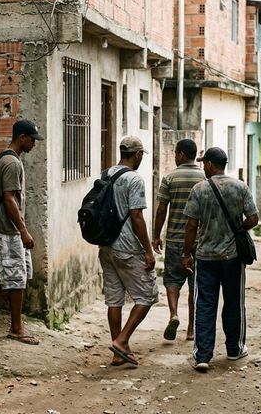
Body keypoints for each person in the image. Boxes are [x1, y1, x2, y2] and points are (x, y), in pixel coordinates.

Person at [182, 147, 259, 372]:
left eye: (204, 163)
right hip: (233, 256)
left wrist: (187, 254)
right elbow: (253, 218)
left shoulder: (199, 190)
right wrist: (238, 228)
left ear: (209, 164)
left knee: (204, 304)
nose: (203, 166)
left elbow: (191, 225)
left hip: (205, 257)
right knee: (234, 302)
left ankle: (203, 356)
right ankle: (234, 349)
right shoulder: (240, 187)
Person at [0, 119, 44, 345]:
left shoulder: (8, 159)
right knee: (16, 278)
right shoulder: (12, 163)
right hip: (8, 230)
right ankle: (16, 328)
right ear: (22, 137)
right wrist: (23, 231)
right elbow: (8, 199)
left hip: (10, 229)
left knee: (19, 273)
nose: (34, 144)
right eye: (32, 139)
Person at [99, 135, 158, 366]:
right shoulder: (134, 179)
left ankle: (117, 353)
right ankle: (121, 341)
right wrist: (148, 250)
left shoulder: (106, 174)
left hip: (106, 246)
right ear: (138, 155)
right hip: (127, 248)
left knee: (114, 300)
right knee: (147, 295)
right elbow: (137, 216)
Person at [152, 139, 205, 341]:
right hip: (199, 241)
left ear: (182, 155)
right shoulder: (204, 178)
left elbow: (161, 209)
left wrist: (157, 235)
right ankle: (191, 329)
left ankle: (174, 314)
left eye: (175, 153)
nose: (174, 157)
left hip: (175, 239)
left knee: (173, 279)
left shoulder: (170, 178)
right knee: (195, 285)